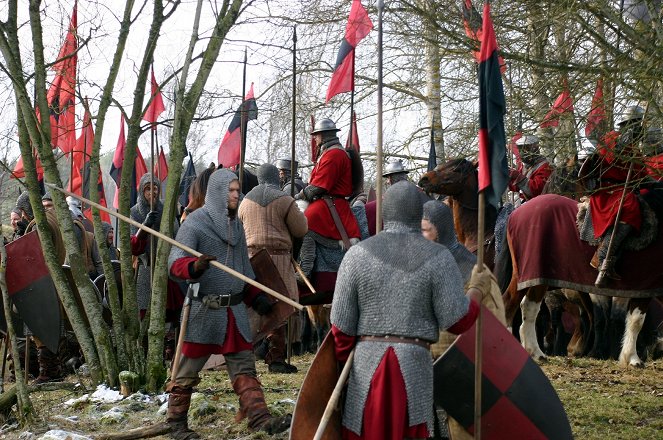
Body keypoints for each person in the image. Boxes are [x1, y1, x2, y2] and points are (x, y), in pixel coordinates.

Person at [330, 181, 492, 440]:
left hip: (366, 365)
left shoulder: (356, 256)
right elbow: (458, 320)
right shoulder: (439, 256)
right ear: (420, 213)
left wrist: (344, 368)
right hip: (414, 361)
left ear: (385, 212)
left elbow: (340, 327)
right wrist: (477, 289)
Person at [166, 169, 290, 438]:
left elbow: (242, 271)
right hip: (204, 310)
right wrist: (194, 266)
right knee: (187, 370)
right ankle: (176, 423)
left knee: (244, 367)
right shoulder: (195, 224)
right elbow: (174, 265)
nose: (237, 195)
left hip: (234, 312)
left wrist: (256, 298)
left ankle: (259, 418)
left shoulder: (238, 226)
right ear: (217, 193)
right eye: (232, 191)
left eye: (237, 190)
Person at [238, 163, 308, 374]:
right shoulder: (285, 200)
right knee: (281, 307)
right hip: (277, 260)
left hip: (252, 260)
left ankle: (251, 354)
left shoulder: (244, 203)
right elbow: (301, 228)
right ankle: (276, 357)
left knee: (255, 307)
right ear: (275, 178)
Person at [295, 118, 362, 299]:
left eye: (316, 136)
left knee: (304, 222)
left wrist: (297, 197)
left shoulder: (334, 155)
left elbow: (320, 186)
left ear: (323, 136)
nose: (315, 139)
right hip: (325, 200)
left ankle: (305, 270)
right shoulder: (328, 153)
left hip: (331, 203)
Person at [580, 105, 647, 285]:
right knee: (630, 206)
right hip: (607, 193)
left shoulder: (634, 149)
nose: (640, 127)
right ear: (627, 124)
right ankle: (601, 256)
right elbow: (609, 157)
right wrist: (624, 141)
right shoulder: (611, 139)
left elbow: (641, 175)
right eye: (636, 124)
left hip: (622, 191)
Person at [508, 134, 553, 202]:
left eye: (526, 149)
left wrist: (518, 177)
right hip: (526, 203)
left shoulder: (545, 166)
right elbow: (517, 187)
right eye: (521, 149)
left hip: (541, 205)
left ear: (534, 149)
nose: (522, 152)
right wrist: (507, 177)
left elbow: (537, 191)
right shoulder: (526, 166)